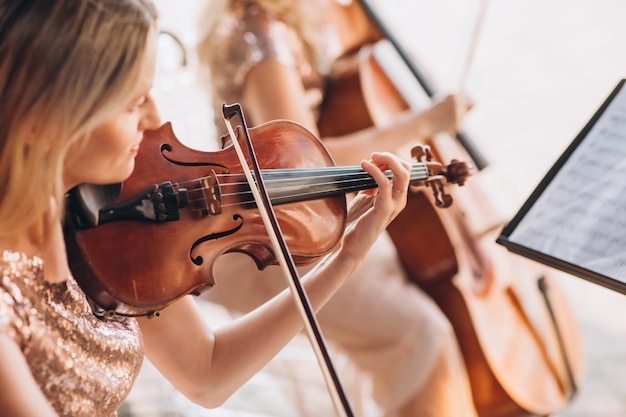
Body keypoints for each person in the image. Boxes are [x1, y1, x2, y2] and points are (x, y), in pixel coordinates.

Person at [0, 1, 412, 416]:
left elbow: (208, 372)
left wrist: (347, 257)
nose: (155, 118)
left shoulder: (107, 216)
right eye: (133, 102)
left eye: (151, 92)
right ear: (43, 122)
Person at [196, 1, 479, 416]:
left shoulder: (281, 20)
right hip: (274, 242)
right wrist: (420, 123)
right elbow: (306, 165)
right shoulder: (260, 38)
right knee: (421, 333)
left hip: (308, 223)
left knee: (409, 293)